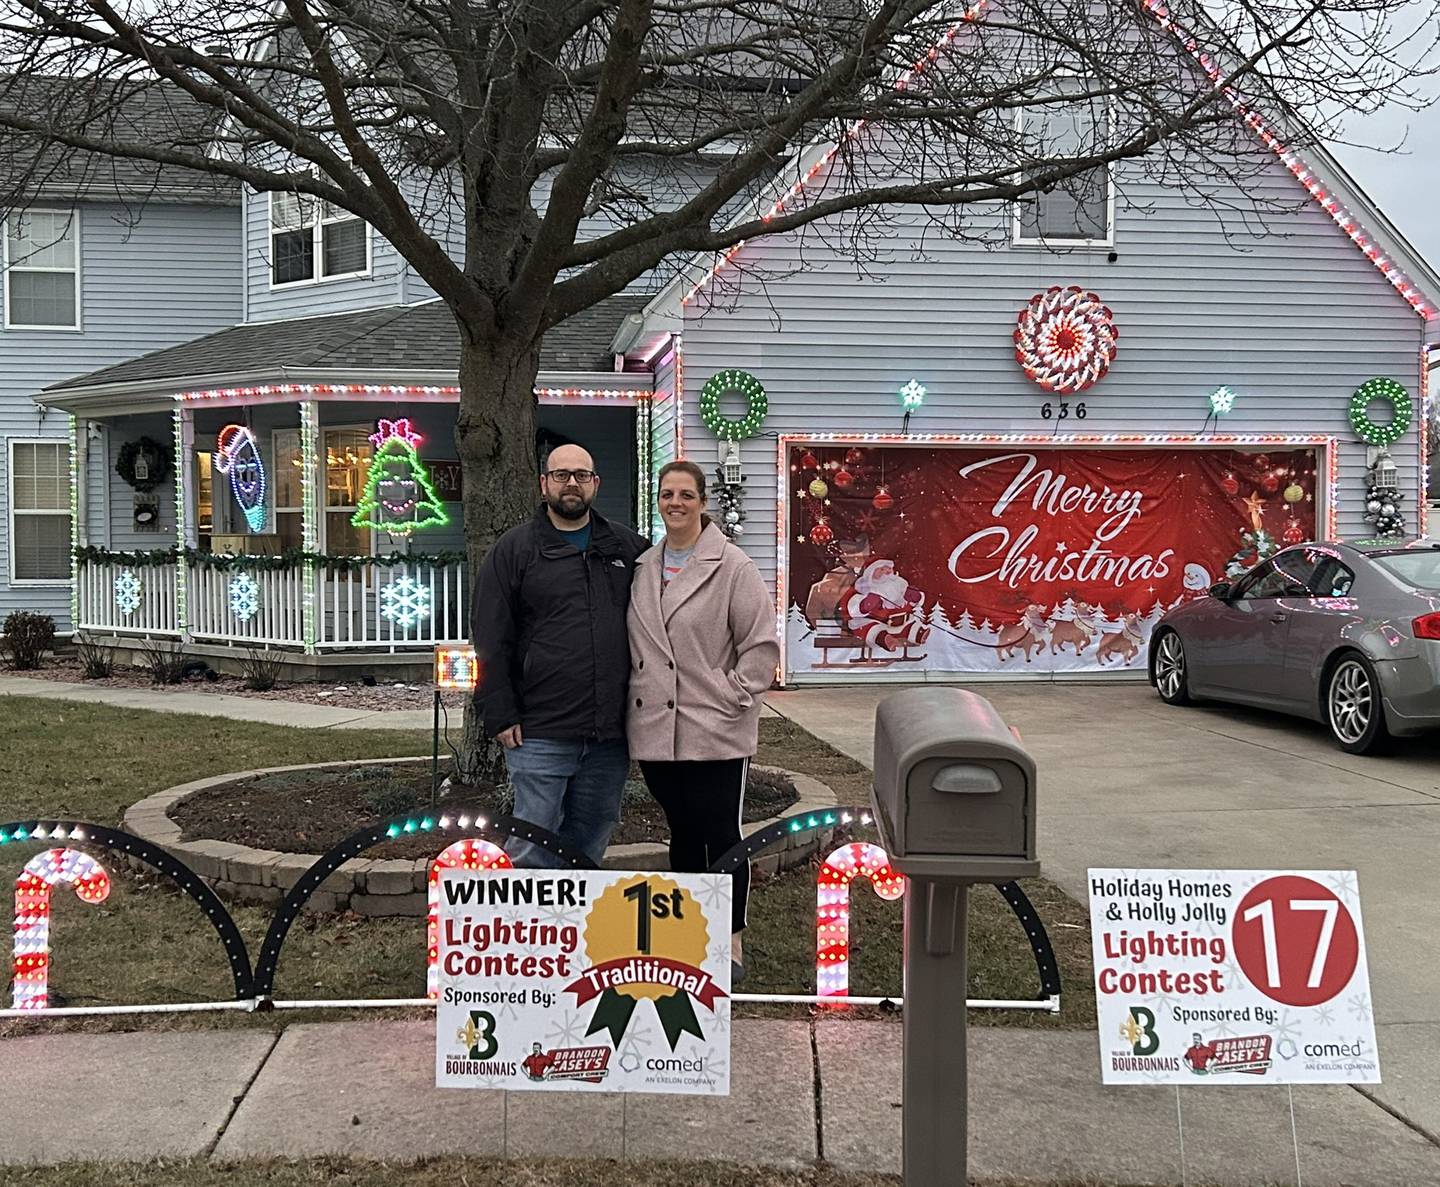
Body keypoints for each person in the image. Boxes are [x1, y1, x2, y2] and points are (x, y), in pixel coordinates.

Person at [626, 460, 780, 980]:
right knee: (683, 832)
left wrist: (730, 696)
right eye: (667, 494)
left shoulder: (731, 566)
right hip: (655, 730)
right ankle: (691, 930)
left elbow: (760, 647)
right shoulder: (644, 567)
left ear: (702, 501)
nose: (676, 503)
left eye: (686, 495)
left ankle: (731, 937)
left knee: (720, 832)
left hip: (714, 727)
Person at [472, 443, 649, 866]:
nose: (572, 483)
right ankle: (528, 926)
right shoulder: (514, 551)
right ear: (544, 484)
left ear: (595, 484)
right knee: (534, 837)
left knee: (592, 833)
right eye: (561, 474)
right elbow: (490, 635)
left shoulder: (627, 549)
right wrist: (499, 709)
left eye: (581, 475)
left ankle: (576, 928)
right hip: (540, 729)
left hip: (608, 733)